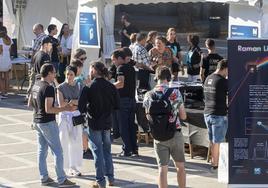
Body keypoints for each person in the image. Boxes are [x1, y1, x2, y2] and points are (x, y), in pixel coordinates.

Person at [28, 63, 76, 187]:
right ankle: (61, 178)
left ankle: (44, 177)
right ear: (49, 73)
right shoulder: (48, 88)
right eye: (54, 72)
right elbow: (49, 109)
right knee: (58, 151)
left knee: (41, 151)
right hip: (47, 122)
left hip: (38, 121)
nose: (56, 74)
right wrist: (64, 108)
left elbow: (29, 104)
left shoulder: (36, 85)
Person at [143, 66, 187, 188]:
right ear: (169, 78)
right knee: (180, 167)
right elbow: (183, 116)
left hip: (158, 136)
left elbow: (148, 116)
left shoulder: (148, 94)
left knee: (162, 169)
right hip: (175, 134)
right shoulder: (175, 92)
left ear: (156, 77)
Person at [78, 61, 120, 188]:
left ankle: (100, 181)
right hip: (107, 122)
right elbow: (117, 105)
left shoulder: (89, 87)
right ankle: (111, 178)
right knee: (107, 151)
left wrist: (88, 108)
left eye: (91, 69)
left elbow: (81, 107)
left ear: (95, 71)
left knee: (97, 152)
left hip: (94, 122)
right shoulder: (111, 86)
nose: (89, 72)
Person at [57, 65, 83, 176]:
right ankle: (63, 167)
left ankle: (74, 167)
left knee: (76, 141)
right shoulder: (60, 87)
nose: (69, 76)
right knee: (63, 141)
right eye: (67, 74)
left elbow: (82, 102)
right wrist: (72, 103)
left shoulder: (79, 86)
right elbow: (61, 104)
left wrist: (71, 101)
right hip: (64, 116)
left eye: (71, 74)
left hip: (76, 116)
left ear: (75, 75)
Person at [111, 49, 138, 157]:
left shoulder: (121, 68)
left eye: (114, 60)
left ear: (119, 59)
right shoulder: (131, 68)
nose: (113, 62)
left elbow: (121, 83)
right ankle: (134, 149)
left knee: (123, 126)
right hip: (132, 100)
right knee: (131, 125)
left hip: (123, 100)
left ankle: (127, 149)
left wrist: (109, 86)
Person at [203, 59, 228, 172]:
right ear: (225, 68)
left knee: (213, 140)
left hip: (207, 113)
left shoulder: (208, 78)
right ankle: (216, 164)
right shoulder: (222, 81)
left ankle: (214, 162)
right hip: (218, 114)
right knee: (218, 141)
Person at [27, 23, 47, 97]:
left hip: (37, 62)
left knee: (33, 80)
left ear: (40, 29)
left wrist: (32, 62)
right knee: (41, 80)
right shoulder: (47, 38)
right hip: (44, 62)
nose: (33, 31)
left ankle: (29, 96)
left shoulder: (38, 38)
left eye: (35, 30)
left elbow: (34, 52)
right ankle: (38, 96)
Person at [0, 26, 12, 99]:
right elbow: (10, 51)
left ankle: (2, 92)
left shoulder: (0, 39)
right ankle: (6, 92)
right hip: (7, 59)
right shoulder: (9, 39)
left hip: (1, 59)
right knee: (7, 76)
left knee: (0, 77)